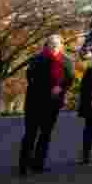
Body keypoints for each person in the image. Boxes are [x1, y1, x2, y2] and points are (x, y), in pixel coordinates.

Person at [18, 34, 74, 176]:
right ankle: (23, 165)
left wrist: (61, 88)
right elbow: (31, 77)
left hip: (53, 103)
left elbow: (70, 79)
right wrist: (50, 87)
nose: (54, 45)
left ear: (62, 45)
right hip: (35, 102)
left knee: (45, 134)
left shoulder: (67, 61)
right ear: (47, 44)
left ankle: (38, 164)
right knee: (30, 133)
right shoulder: (37, 59)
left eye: (57, 43)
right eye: (51, 43)